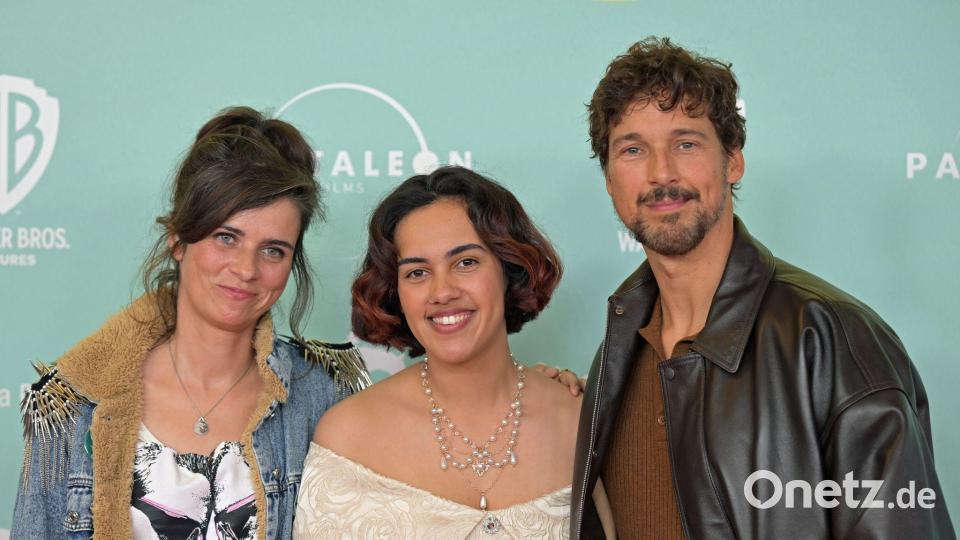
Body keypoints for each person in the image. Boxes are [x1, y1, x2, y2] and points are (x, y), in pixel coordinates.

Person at [571, 37, 955, 539]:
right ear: (608, 178)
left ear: (733, 161)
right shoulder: (616, 354)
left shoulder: (833, 337)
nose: (661, 173)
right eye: (633, 149)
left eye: (686, 143)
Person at [12, 107, 369, 539]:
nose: (246, 269)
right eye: (226, 237)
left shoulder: (326, 396)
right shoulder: (72, 405)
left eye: (273, 250)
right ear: (179, 241)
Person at [293, 167, 603, 539]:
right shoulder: (347, 436)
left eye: (466, 263)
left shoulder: (584, 422)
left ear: (510, 269)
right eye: (417, 273)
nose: (442, 292)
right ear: (395, 293)